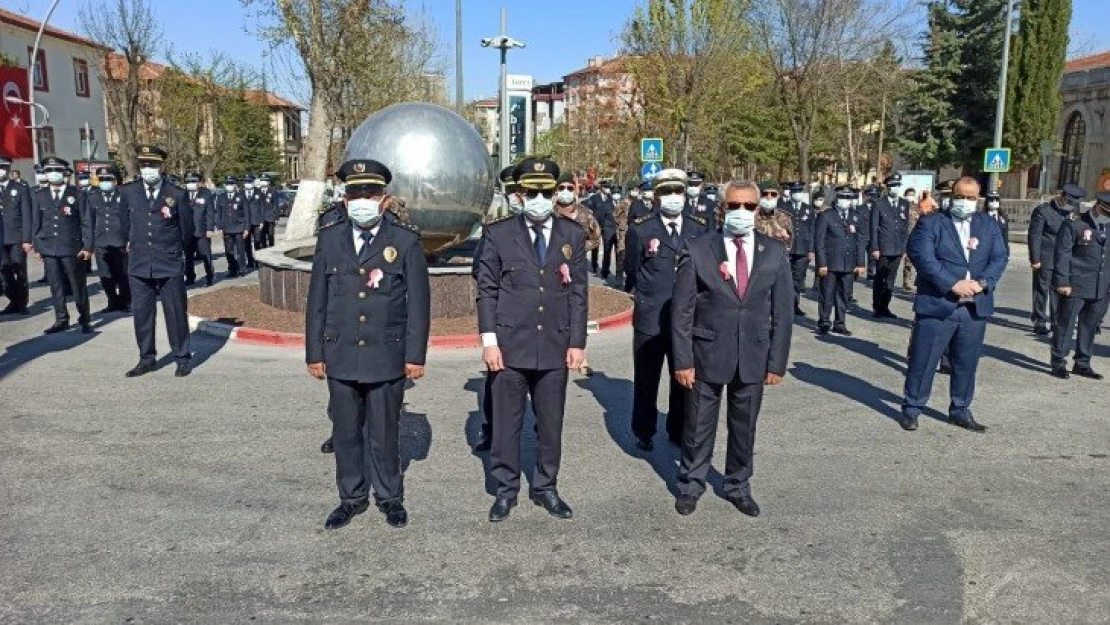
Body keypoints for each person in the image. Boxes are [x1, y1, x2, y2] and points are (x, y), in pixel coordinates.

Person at [305, 158, 428, 530]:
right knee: (345, 433)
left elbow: (419, 305)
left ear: (385, 199)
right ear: (344, 200)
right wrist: (314, 352)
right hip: (340, 352)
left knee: (385, 433)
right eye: (354, 193)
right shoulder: (329, 239)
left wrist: (414, 355)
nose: (362, 199)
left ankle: (390, 497)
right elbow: (317, 301)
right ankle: (351, 497)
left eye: (370, 193)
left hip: (385, 353)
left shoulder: (404, 242)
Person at [670, 179, 794, 517]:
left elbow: (782, 313)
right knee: (697, 424)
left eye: (749, 206)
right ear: (722, 208)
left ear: (758, 210)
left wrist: (776, 363)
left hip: (753, 354)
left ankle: (738, 485)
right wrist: (682, 360)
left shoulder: (775, 252)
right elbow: (682, 311)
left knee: (744, 426)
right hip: (706, 352)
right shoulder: (698, 248)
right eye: (734, 205)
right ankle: (690, 484)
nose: (742, 212)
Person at [476, 156, 588, 523]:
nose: (540, 199)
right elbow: (487, 291)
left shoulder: (572, 234)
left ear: (556, 193)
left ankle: (546, 487)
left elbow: (578, 294)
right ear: (520, 195)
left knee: (550, 423)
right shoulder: (498, 233)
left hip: (555, 346)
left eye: (547, 192)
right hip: (509, 347)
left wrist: (576, 343)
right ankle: (505, 490)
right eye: (532, 192)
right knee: (506, 425)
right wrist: (489, 341)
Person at [901, 177, 1008, 432]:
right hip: (938, 304)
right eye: (961, 196)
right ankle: (912, 408)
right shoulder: (932, 223)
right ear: (952, 195)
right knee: (924, 359)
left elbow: (1000, 257)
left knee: (966, 361)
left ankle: (960, 409)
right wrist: (951, 284)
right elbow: (921, 256)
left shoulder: (988, 225)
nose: (966, 202)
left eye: (972, 198)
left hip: (974, 306)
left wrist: (983, 283)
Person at [625, 169, 710, 450]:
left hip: (686, 318)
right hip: (651, 316)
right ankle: (644, 430)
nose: (673, 198)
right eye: (666, 192)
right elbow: (633, 270)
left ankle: (678, 429)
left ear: (685, 195)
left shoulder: (699, 228)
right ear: (657, 196)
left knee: (683, 376)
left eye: (678, 192)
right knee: (647, 378)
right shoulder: (641, 228)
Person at [120, 145, 194, 378]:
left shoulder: (177, 193)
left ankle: (181, 357)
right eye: (143, 165)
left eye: (152, 165)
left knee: (175, 313)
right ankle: (146, 358)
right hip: (140, 263)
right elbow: (124, 226)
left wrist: (181, 258)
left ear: (161, 167)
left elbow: (187, 232)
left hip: (169, 262)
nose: (148, 169)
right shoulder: (128, 192)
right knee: (142, 314)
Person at [472, 165, 524, 453]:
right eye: (512, 191)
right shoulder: (495, 221)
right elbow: (480, 267)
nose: (517, 196)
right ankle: (491, 429)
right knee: (497, 379)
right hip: (504, 316)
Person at [1049, 191, 1110, 380]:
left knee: (1090, 326)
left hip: (1101, 287)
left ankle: (1082, 363)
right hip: (1074, 284)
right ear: (1098, 206)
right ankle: (1059, 362)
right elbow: (1062, 254)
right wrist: (1063, 281)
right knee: (1065, 324)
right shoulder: (1075, 223)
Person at [30, 156, 94, 334]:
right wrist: (38, 246)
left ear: (64, 173)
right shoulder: (39, 195)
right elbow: (36, 223)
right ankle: (61, 319)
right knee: (56, 285)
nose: (52, 174)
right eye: (49, 171)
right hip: (49, 247)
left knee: (77, 285)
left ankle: (85, 319)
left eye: (56, 171)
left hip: (72, 247)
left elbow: (86, 222)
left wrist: (88, 247)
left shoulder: (77, 194)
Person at [1028, 184, 1084, 335]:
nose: (1071, 205)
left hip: (1065, 260)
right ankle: (1039, 320)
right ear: (1062, 196)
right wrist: (1035, 258)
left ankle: (1056, 321)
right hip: (1046, 257)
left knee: (1059, 291)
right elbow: (1035, 236)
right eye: (1069, 201)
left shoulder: (1073, 212)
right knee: (1041, 289)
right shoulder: (1043, 211)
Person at [814, 186, 866, 335]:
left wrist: (860, 263)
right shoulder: (826, 216)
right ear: (836, 198)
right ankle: (824, 321)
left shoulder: (855, 217)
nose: (846, 201)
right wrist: (822, 264)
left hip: (848, 263)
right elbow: (819, 242)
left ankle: (840, 322)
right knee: (827, 293)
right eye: (843, 198)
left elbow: (860, 242)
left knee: (844, 294)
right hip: (830, 263)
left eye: (849, 198)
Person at [87, 166, 131, 313]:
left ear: (115, 180)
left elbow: (130, 219)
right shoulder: (93, 196)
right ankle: (112, 301)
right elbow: (89, 221)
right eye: (102, 179)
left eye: (108, 179)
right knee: (105, 274)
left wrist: (130, 239)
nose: (105, 182)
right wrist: (89, 244)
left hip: (120, 241)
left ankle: (125, 301)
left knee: (123, 273)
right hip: (101, 241)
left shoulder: (124, 195)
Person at [869, 173, 911, 318]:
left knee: (891, 280)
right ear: (887, 188)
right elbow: (874, 227)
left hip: (897, 248)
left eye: (897, 186)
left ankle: (885, 306)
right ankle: (877, 307)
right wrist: (874, 247)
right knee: (880, 278)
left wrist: (904, 247)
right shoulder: (879, 203)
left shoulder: (904, 204)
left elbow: (905, 228)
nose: (895, 188)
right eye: (893, 186)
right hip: (883, 248)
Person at [0, 155, 33, 315]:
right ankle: (13, 299)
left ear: (9, 169)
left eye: (4, 167)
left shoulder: (20, 188)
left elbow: (27, 215)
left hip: (16, 236)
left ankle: (22, 304)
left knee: (19, 269)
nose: (1, 171)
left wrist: (27, 239)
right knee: (4, 271)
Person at [782, 182, 815, 316]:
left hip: (802, 248)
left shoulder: (808, 209)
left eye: (799, 191)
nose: (797, 194)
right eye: (795, 191)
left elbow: (812, 230)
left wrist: (811, 249)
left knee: (798, 279)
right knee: (785, 278)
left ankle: (795, 305)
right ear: (790, 193)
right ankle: (784, 305)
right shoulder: (783, 208)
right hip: (786, 248)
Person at [183, 172, 216, 287]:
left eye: (193, 181)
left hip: (202, 230)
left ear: (198, 183)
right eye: (188, 182)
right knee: (188, 256)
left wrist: (210, 228)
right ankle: (190, 277)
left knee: (205, 254)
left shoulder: (205, 193)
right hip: (187, 231)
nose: (190, 184)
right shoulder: (183, 194)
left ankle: (210, 277)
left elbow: (210, 212)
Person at [217, 176, 249, 277]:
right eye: (227, 184)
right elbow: (218, 213)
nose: (229, 186)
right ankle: (232, 269)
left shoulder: (241, 196)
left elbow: (246, 213)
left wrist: (247, 228)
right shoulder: (221, 197)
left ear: (235, 185)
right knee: (228, 251)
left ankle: (242, 269)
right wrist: (219, 227)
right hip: (226, 227)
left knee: (240, 250)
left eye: (231, 184)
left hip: (239, 227)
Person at [587, 181, 618, 279]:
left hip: (607, 227)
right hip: (596, 226)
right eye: (606, 187)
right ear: (602, 188)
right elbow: (587, 208)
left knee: (607, 248)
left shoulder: (610, 199)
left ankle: (605, 270)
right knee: (595, 246)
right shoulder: (594, 198)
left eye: (609, 187)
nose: (608, 189)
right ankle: (594, 266)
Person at [754, 182, 794, 248]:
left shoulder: (784, 217)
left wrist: (785, 237)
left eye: (773, 194)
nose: (769, 197)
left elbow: (789, 245)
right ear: (760, 195)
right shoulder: (752, 216)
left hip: (776, 256)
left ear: (778, 196)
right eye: (765, 194)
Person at [902, 187, 924, 292]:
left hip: (914, 236)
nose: (911, 196)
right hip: (902, 236)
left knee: (910, 260)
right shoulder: (901, 206)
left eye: (912, 194)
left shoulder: (917, 207)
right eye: (909, 194)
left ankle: (907, 281)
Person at [258, 174, 279, 248]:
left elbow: (276, 205)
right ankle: (263, 249)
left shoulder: (273, 191)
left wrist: (276, 217)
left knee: (270, 235)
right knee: (261, 235)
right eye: (262, 180)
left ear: (268, 182)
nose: (263, 182)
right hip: (260, 217)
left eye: (265, 180)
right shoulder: (257, 191)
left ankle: (271, 248)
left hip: (270, 217)